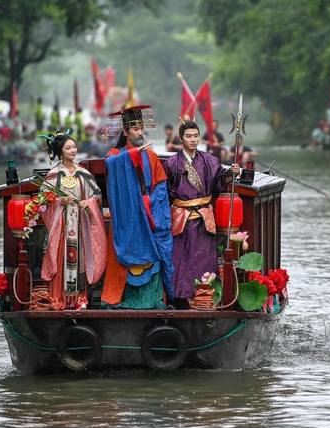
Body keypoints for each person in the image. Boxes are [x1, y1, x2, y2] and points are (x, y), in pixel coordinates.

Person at [101, 105, 175, 309]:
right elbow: (110, 166)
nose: (140, 132)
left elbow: (161, 184)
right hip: (127, 216)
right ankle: (120, 299)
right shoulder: (116, 154)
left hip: (149, 213)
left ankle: (154, 299)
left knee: (158, 250)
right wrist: (131, 155)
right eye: (135, 129)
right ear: (125, 132)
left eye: (141, 128)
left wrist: (150, 203)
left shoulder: (151, 155)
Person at [162, 119, 239, 306]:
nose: (193, 140)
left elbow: (220, 183)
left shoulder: (210, 161)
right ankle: (179, 298)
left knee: (203, 259)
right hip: (182, 218)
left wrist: (231, 174)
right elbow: (165, 192)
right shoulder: (172, 163)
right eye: (189, 136)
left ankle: (204, 298)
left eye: (196, 136)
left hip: (204, 219)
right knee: (180, 259)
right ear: (181, 138)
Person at [40, 132, 107, 310]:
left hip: (79, 224)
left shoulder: (83, 173)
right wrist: (59, 201)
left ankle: (80, 298)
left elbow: (97, 195)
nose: (73, 150)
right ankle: (58, 298)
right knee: (61, 258)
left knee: (81, 258)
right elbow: (43, 200)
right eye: (68, 148)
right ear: (60, 152)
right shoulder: (54, 175)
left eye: (74, 147)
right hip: (61, 224)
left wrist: (89, 202)